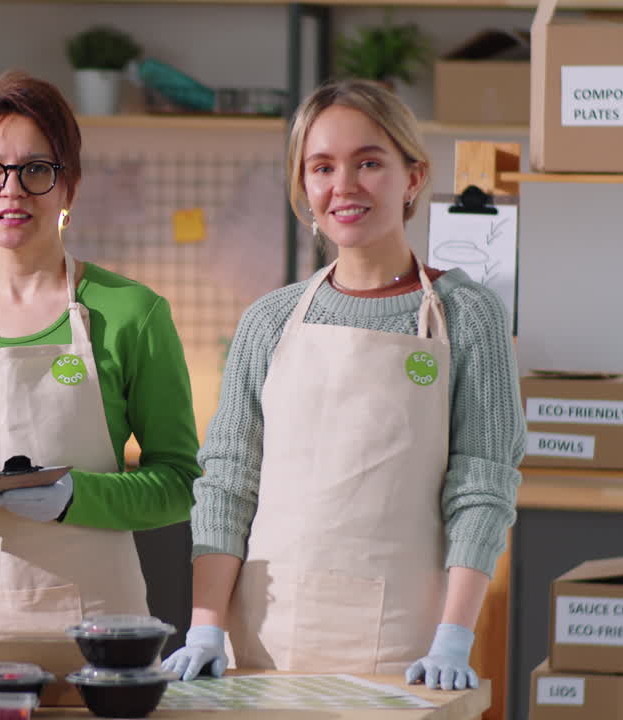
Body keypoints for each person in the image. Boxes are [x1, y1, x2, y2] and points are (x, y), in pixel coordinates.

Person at [161, 79, 525, 689]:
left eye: (369, 163)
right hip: (267, 645)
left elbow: (482, 487)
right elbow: (227, 483)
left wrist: (455, 638)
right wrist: (205, 627)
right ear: (304, 189)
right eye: (322, 167)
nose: (344, 186)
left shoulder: (467, 314)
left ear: (413, 178)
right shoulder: (268, 320)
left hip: (407, 651)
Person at [0, 71, 200, 635]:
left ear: (68, 186)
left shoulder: (130, 314)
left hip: (98, 633)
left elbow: (179, 483)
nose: (12, 189)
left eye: (37, 170)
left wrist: (78, 495)